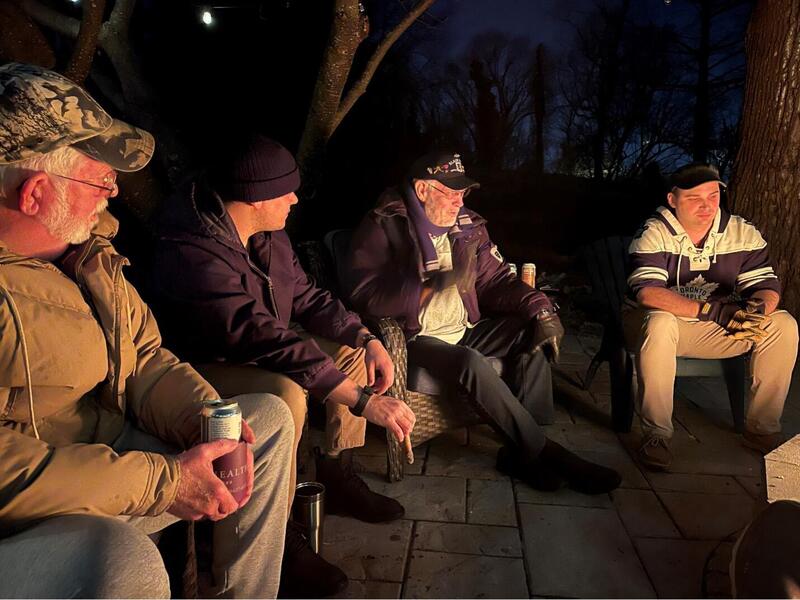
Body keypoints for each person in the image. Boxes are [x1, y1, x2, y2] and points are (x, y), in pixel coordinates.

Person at [0, 63, 294, 598]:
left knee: (263, 420)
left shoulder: (89, 255)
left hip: (123, 456)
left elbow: (146, 360)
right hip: (43, 510)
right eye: (97, 175)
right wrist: (164, 481)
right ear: (35, 192)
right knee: (121, 559)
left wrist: (206, 421)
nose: (113, 190)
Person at [149, 134, 416, 597]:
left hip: (257, 347)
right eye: (285, 191)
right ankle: (281, 525)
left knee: (347, 353)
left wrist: (364, 335)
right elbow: (259, 334)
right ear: (254, 197)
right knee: (287, 392)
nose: (294, 198)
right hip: (199, 366)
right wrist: (361, 401)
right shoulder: (190, 250)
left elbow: (307, 295)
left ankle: (334, 467)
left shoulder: (268, 234)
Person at [343, 150, 621, 494]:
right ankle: (546, 451)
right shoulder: (385, 224)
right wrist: (426, 287)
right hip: (416, 339)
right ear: (422, 190)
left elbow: (497, 281)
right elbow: (363, 293)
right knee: (470, 362)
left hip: (465, 330)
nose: (458, 202)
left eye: (462, 193)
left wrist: (541, 310)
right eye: (450, 192)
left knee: (529, 330)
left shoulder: (468, 228)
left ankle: (522, 451)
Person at [625, 163, 798, 471]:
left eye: (714, 195)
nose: (706, 205)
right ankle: (657, 435)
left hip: (716, 328)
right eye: (694, 197)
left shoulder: (741, 231)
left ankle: (761, 429)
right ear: (672, 199)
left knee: (782, 323)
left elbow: (766, 285)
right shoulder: (653, 232)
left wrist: (757, 309)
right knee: (660, 321)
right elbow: (647, 293)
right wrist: (712, 310)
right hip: (660, 329)